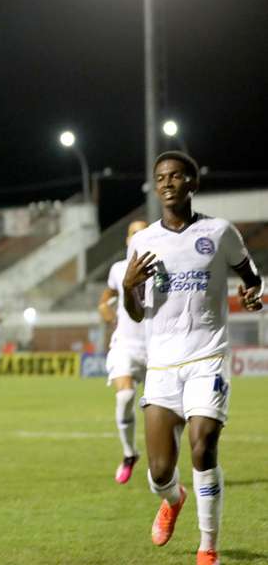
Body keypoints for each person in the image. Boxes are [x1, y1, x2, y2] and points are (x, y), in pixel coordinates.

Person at [122, 151, 263, 565]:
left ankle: (208, 548)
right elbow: (135, 312)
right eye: (160, 177)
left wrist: (251, 293)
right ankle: (173, 498)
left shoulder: (220, 232)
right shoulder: (143, 241)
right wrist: (130, 287)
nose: (166, 183)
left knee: (203, 447)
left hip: (208, 357)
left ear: (192, 183)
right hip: (162, 364)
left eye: (175, 176)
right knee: (160, 472)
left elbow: (249, 274)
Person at [98, 220, 148, 484]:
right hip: (125, 345)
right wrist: (107, 312)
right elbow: (105, 300)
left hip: (157, 348)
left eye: (144, 232)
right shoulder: (118, 269)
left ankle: (163, 466)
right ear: (127, 241)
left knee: (161, 413)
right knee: (126, 395)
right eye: (134, 233)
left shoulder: (164, 268)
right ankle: (130, 454)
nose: (139, 237)